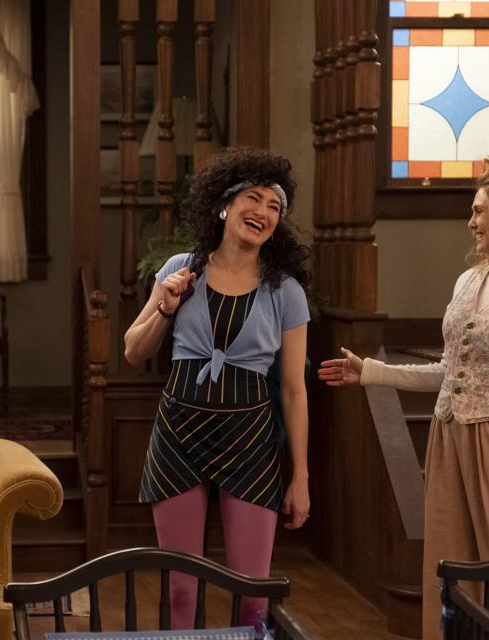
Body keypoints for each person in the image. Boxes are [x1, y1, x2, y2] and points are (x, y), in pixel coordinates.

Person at [317, 143, 489, 640]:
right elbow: (451, 371)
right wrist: (372, 372)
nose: (471, 222)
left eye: (480, 211)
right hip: (449, 440)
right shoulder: (468, 281)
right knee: (451, 575)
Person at [124, 146, 312, 628]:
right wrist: (165, 308)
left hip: (250, 443)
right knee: (180, 591)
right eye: (254, 198)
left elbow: (294, 390)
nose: (263, 212)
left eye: (275, 206)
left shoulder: (286, 292)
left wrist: (301, 477)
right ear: (225, 204)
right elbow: (132, 351)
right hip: (178, 437)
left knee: (253, 597)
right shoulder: (180, 269)